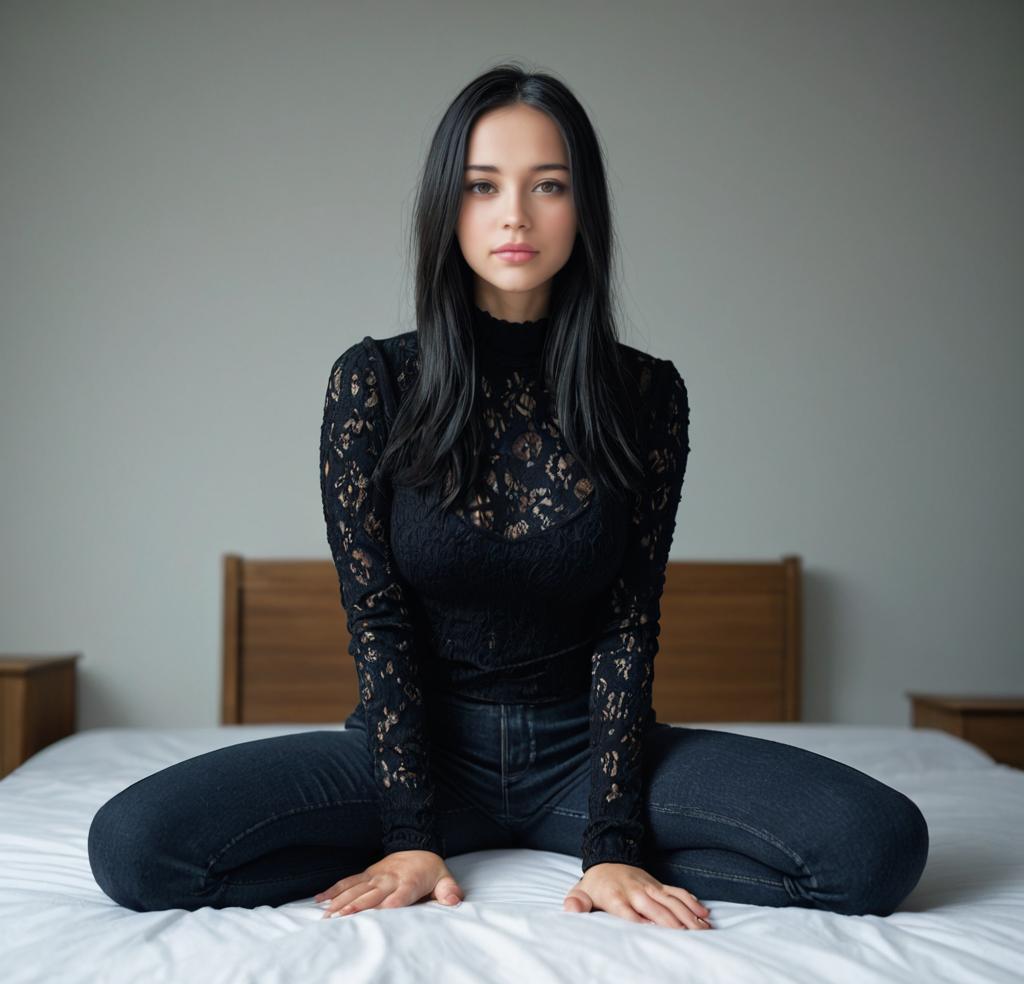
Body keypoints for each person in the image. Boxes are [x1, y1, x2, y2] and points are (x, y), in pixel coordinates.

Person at [87, 64, 930, 929]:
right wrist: (411, 831)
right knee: (134, 846)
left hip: (586, 756)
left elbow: (629, 622)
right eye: (482, 185)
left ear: (583, 207)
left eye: (548, 185)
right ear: (446, 207)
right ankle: (415, 838)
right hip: (412, 752)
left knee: (875, 847)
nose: (515, 215)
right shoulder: (375, 381)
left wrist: (613, 840)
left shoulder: (647, 394)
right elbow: (377, 620)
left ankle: (576, 836)